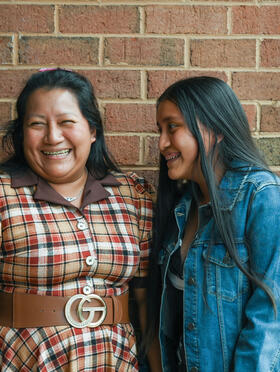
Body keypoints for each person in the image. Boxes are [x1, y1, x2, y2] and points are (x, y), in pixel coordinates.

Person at [0, 68, 158, 371]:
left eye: (66, 122)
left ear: (92, 130)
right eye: (37, 124)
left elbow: (146, 305)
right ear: (22, 134)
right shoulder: (4, 195)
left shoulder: (133, 196)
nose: (53, 136)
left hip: (116, 362)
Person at [146, 76, 280, 372]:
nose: (162, 143)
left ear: (215, 129)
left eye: (172, 127)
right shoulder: (180, 210)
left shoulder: (260, 196)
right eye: (160, 130)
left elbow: (270, 317)